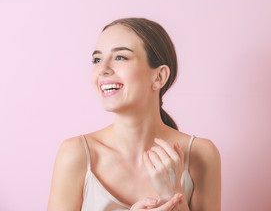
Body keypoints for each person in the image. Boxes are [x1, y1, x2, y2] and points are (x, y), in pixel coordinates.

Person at [47, 18, 221, 211]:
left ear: (159, 76)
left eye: (120, 57)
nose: (102, 69)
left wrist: (173, 196)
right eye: (97, 59)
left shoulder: (201, 155)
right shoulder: (76, 154)